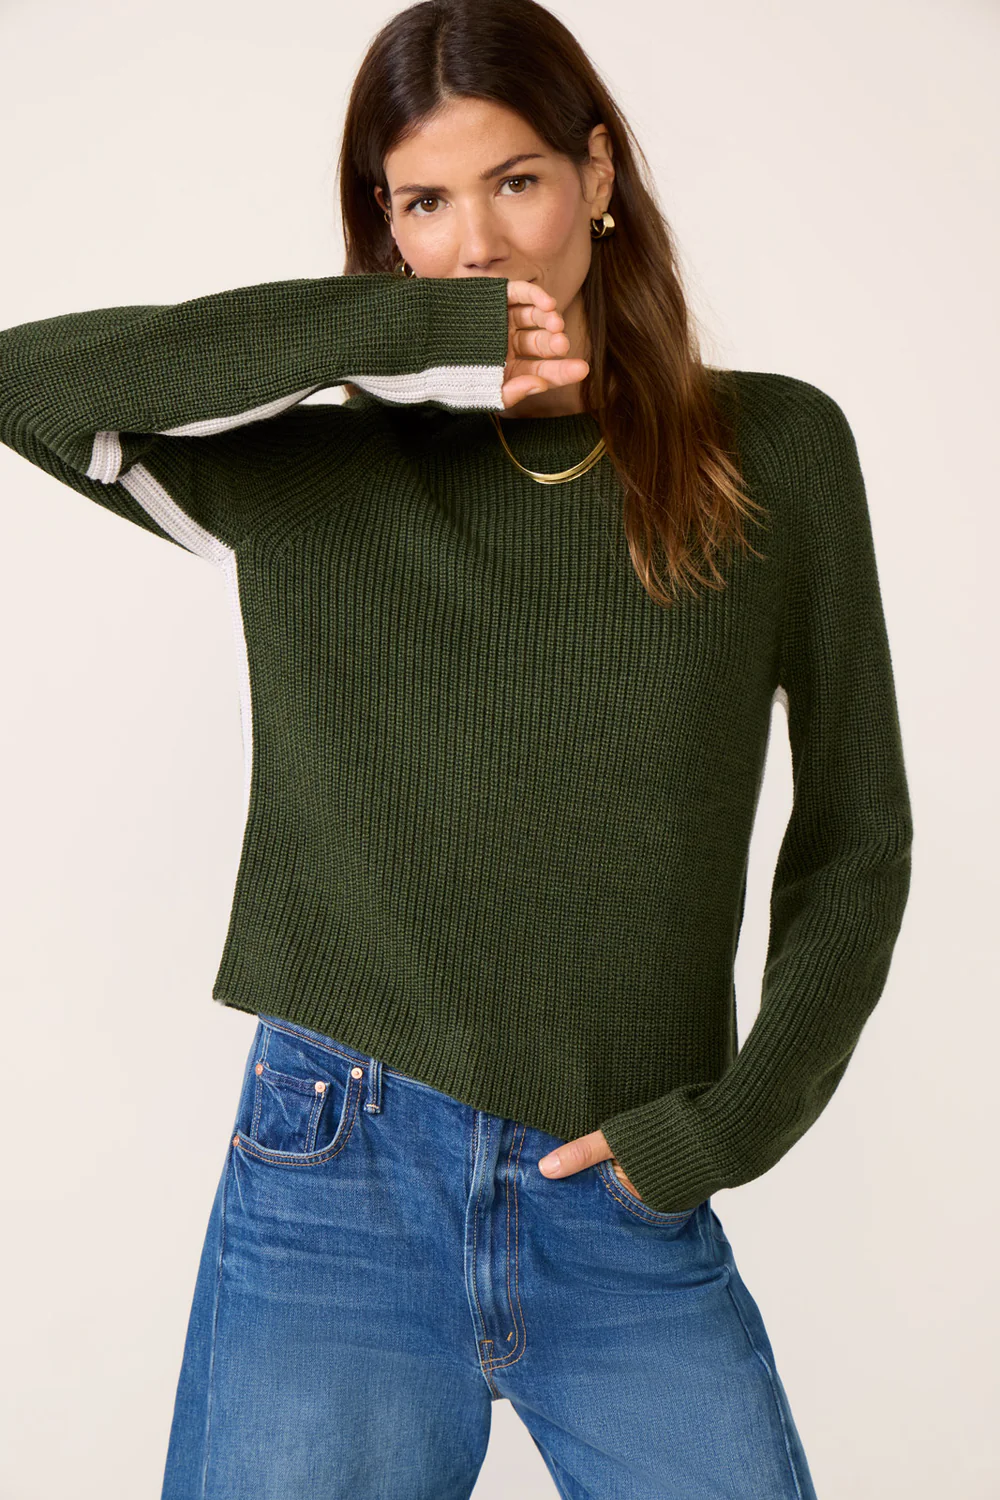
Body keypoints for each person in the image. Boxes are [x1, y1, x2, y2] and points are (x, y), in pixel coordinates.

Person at [0, 1, 912, 1495]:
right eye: (423, 202)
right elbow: (26, 380)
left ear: (598, 175)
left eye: (516, 182)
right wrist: (408, 339)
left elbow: (858, 838)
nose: (478, 243)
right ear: (385, 224)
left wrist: (735, 1124)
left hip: (621, 1192)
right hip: (335, 1175)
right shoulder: (311, 466)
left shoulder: (774, 451)